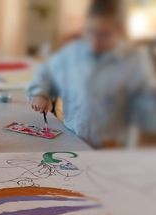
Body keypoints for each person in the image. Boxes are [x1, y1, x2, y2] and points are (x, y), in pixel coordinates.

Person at [27, 0, 156, 148]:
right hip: (73, 140)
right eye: (90, 31)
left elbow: (147, 116)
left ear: (120, 31)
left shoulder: (135, 61)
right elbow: (45, 74)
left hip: (112, 149)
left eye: (104, 34)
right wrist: (40, 93)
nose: (95, 41)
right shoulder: (72, 53)